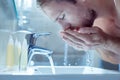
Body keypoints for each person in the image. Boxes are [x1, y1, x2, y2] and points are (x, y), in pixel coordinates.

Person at [36, 0, 120, 64]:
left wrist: (107, 42)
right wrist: (97, 43)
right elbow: (116, 60)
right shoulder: (100, 27)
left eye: (62, 16)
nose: (65, 28)